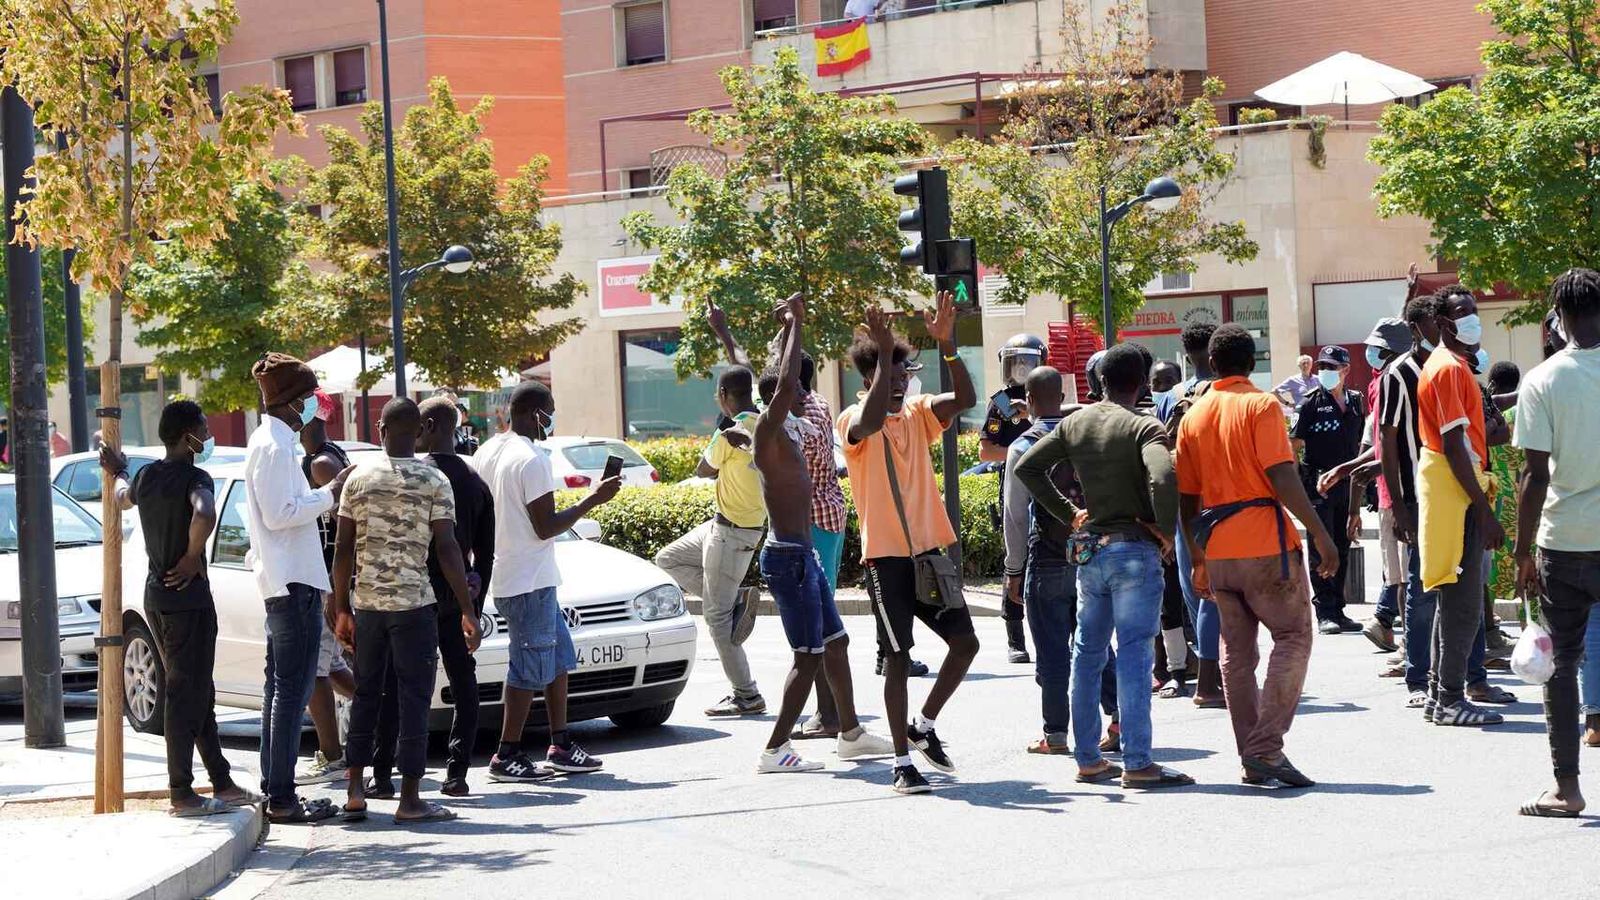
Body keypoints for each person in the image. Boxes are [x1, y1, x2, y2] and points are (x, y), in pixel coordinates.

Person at [1015, 344, 1188, 788]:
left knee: (1086, 654)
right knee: (1133, 653)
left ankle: (1088, 758)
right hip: (1134, 548)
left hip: (1089, 550)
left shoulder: (1076, 422)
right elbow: (1163, 476)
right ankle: (1138, 761)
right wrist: (1166, 530)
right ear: (1142, 383)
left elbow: (1029, 469)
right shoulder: (1144, 426)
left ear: (1101, 382)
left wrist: (1067, 512)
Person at [1175, 325, 1338, 787]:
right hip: (1265, 545)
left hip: (1218, 550)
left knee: (1236, 655)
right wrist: (1320, 534)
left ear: (1208, 362)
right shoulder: (1261, 404)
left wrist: (1199, 558)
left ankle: (1252, 756)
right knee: (1293, 637)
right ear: (1252, 361)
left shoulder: (1194, 415)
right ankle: (1265, 749)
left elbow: (1186, 500)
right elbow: (1282, 476)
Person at [838, 293, 979, 795]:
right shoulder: (853, 421)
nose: (899, 385)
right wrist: (880, 360)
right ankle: (901, 762)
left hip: (929, 554)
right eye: (888, 377)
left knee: (966, 644)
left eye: (902, 377)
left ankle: (923, 725)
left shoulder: (918, 412)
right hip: (886, 560)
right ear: (869, 380)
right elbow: (870, 422)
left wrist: (949, 346)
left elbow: (964, 399)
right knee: (897, 659)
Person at [746, 293, 892, 772]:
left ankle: (849, 733)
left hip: (803, 554)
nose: (796, 399)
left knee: (837, 642)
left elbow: (787, 377)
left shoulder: (792, 425)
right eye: (786, 397)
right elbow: (786, 380)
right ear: (775, 402)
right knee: (807, 655)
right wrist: (796, 321)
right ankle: (775, 749)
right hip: (787, 556)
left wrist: (787, 331)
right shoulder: (768, 430)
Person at [100, 400, 258, 817]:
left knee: (196, 689)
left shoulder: (148, 476)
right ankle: (181, 793)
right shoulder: (196, 476)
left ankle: (221, 782)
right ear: (188, 436)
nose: (208, 436)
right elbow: (205, 512)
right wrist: (192, 556)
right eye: (204, 429)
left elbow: (120, 497)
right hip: (188, 600)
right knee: (184, 693)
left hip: (158, 596)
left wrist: (117, 469)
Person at [333, 398, 480, 825]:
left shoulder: (357, 480)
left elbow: (342, 550)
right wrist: (467, 611)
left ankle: (356, 790)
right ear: (418, 433)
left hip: (369, 606)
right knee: (414, 697)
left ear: (380, 429)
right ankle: (411, 799)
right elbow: (449, 550)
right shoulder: (434, 480)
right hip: (415, 605)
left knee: (366, 694)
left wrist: (341, 606)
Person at [475, 381, 618, 781]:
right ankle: (507, 754)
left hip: (515, 573)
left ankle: (560, 744)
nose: (552, 418)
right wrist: (594, 499)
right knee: (527, 667)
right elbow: (546, 527)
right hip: (527, 578)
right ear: (535, 413)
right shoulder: (532, 459)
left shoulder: (489, 450)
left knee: (557, 660)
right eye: (550, 409)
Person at [367, 397, 497, 798]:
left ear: (425, 427)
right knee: (463, 683)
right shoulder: (475, 482)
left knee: (397, 685)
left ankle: (383, 773)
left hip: (411, 594)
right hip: (456, 595)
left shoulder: (414, 476)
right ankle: (456, 774)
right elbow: (485, 553)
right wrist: (471, 607)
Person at [245, 352, 354, 824]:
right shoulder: (272, 446)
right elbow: (280, 513)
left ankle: (277, 789)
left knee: (281, 689)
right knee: (290, 692)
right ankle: (284, 796)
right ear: (292, 402)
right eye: (310, 397)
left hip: (290, 581)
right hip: (292, 584)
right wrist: (330, 494)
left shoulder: (275, 441)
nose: (315, 405)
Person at [1512, 268, 1600, 816]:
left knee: (1561, 665)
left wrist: (1522, 554)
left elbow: (1533, 476)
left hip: (1564, 544)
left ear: (1558, 317)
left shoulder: (1542, 380)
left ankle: (1565, 789)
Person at [1004, 367, 1121, 753]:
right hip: (1090, 550)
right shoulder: (1084, 435)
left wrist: (1013, 570)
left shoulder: (1024, 445)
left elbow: (1016, 515)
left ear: (1031, 401)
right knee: (1097, 641)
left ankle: (1055, 734)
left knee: (1052, 647)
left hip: (1049, 555)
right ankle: (1118, 720)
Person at [655, 363, 768, 718]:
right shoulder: (763, 421)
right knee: (667, 559)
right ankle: (733, 599)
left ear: (722, 397)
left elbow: (703, 470)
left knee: (716, 620)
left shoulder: (731, 431)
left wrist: (720, 440)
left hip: (732, 532)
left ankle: (746, 694)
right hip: (722, 526)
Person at [1416, 286, 1505, 727]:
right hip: (1458, 492)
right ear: (1444, 323)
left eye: (1473, 310)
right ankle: (1450, 698)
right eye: (1461, 312)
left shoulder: (1449, 365)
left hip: (1454, 489)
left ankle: (1440, 695)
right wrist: (1483, 510)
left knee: (1453, 597)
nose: (1471, 318)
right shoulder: (1449, 368)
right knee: (1465, 603)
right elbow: (1455, 443)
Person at [294, 389, 356, 786]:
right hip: (328, 580)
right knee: (331, 667)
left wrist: (335, 593)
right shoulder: (327, 456)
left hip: (327, 582)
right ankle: (386, 716)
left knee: (317, 671)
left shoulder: (321, 464)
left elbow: (338, 535)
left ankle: (332, 756)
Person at [1292, 346, 1366, 635]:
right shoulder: (1310, 403)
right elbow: (1294, 446)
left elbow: (1364, 442)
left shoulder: (1357, 401)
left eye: (1332, 367)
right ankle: (1324, 610)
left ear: (1346, 370)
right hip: (1319, 486)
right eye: (1322, 366)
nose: (1325, 371)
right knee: (1323, 547)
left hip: (1349, 485)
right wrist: (1301, 482)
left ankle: (1339, 608)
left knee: (1344, 545)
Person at [984, 333, 1049, 664]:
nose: (1021, 369)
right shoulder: (1001, 403)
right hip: (1014, 482)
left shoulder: (1048, 397)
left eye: (1027, 362)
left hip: (1047, 487)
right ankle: (1015, 637)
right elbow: (986, 449)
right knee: (1015, 557)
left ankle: (1048, 635)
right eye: (1016, 362)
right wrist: (1019, 453)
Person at [1172, 321, 1225, 708]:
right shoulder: (1218, 394)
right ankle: (1214, 671)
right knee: (1214, 594)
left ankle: (1201, 659)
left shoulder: (1170, 395)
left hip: (1179, 500)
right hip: (1214, 500)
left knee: (1193, 583)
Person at [1150, 358, 1190, 694]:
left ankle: (1188, 663)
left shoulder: (1187, 412)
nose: (1161, 390)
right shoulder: (1145, 423)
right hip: (1160, 526)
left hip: (1188, 520)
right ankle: (1169, 667)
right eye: (1156, 383)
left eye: (1168, 383)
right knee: (1166, 601)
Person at [1486, 361, 1523, 603]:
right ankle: (1529, 629)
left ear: (1493, 384)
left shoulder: (1495, 418)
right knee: (1526, 568)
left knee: (1489, 565)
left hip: (1493, 495)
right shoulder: (1525, 412)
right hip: (1524, 493)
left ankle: (1489, 628)